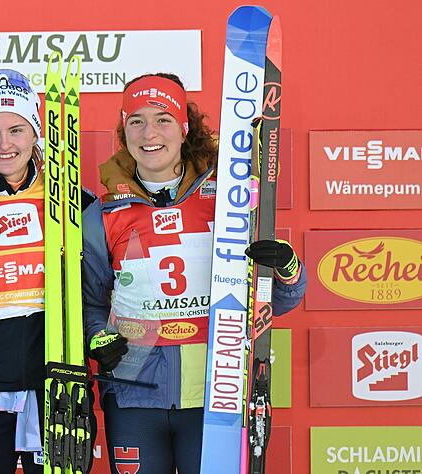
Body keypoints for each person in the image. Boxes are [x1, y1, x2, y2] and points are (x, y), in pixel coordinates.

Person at [81, 73, 306, 474]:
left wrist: (287, 270)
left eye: (163, 118)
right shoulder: (103, 214)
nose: (149, 132)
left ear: (184, 129)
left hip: (215, 392)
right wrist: (97, 334)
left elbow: (274, 300)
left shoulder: (227, 201)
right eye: (136, 120)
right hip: (134, 394)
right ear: (124, 131)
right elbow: (89, 303)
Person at [0, 69, 95, 473]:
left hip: (58, 380)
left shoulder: (75, 203)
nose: (4, 144)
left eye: (16, 129)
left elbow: (103, 289)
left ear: (36, 133)